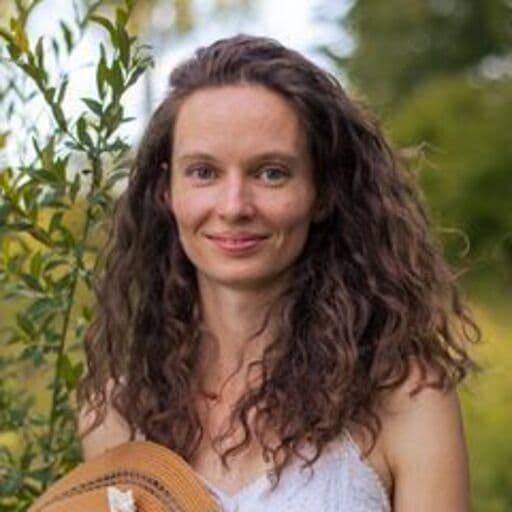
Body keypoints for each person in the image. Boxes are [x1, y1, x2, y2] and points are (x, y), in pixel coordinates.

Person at [77, 34, 480, 511]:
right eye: (204, 172)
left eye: (271, 173)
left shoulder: (406, 399)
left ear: (322, 191)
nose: (234, 207)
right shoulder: (117, 412)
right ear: (166, 190)